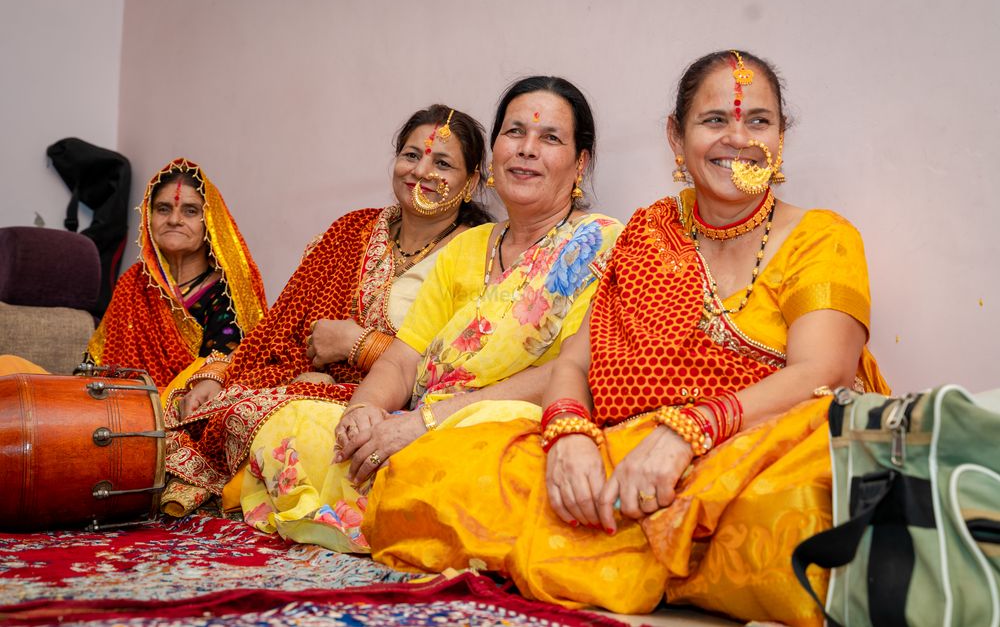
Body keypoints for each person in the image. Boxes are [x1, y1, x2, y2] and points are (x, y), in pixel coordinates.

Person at [359, 52, 890, 627]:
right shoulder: (648, 231)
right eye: (714, 121)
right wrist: (568, 434)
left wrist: (690, 432)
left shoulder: (823, 236)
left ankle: (655, 544)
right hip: (632, 445)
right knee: (437, 470)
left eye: (758, 121)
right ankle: (665, 549)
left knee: (802, 500)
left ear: (780, 136)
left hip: (765, 442)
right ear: (676, 136)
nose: (737, 139)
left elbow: (824, 373)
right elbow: (575, 363)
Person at [240, 77, 624, 552]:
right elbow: (403, 359)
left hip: (508, 428)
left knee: (470, 459)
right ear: (495, 151)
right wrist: (365, 410)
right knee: (293, 422)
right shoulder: (466, 247)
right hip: (422, 420)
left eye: (550, 138)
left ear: (579, 162)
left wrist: (429, 422)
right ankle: (394, 507)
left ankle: (396, 506)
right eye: (514, 132)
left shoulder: (601, 244)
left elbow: (569, 371)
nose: (527, 149)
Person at [161, 104, 493, 517]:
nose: (420, 171)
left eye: (441, 163)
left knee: (285, 424)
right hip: (307, 379)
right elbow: (278, 327)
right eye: (411, 155)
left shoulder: (480, 255)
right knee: (189, 391)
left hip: (398, 406)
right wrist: (221, 371)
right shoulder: (351, 229)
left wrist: (358, 345)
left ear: (473, 179)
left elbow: (463, 365)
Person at [86, 158, 266, 387]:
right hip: (116, 405)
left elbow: (218, 374)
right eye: (163, 209)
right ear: (149, 217)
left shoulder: (229, 296)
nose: (174, 220)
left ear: (210, 222)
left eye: (190, 211)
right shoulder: (134, 284)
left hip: (187, 412)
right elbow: (95, 365)